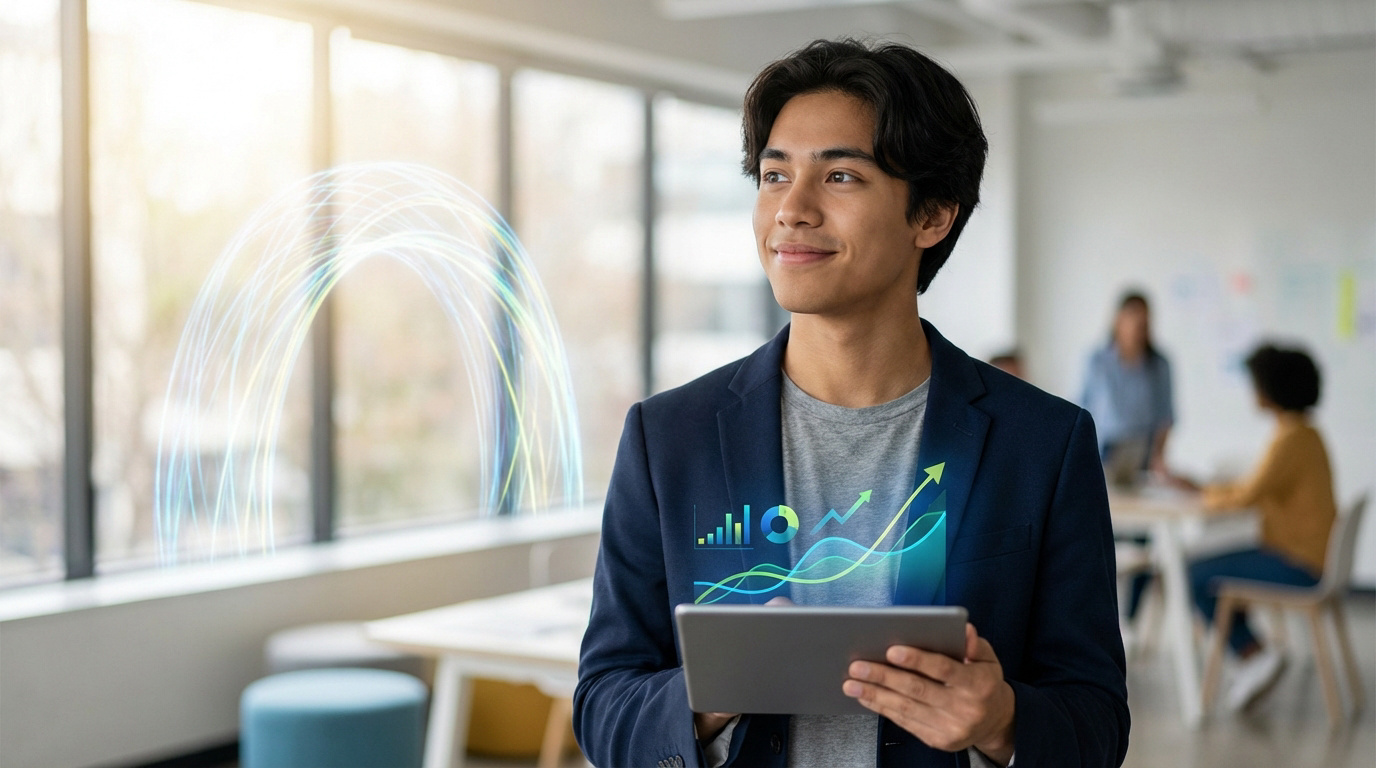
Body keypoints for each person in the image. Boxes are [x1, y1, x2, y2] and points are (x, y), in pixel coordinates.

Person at [574, 39, 1128, 768]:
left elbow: (1096, 717)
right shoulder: (667, 437)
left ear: (930, 215)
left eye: (838, 175)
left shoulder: (1045, 443)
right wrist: (707, 696)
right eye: (774, 176)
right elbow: (603, 700)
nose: (791, 211)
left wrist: (1002, 721)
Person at [1189, 344, 1336, 712]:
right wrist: (1203, 489)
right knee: (1211, 566)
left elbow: (1248, 495)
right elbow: (1254, 486)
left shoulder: (1290, 439)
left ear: (1271, 388)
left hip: (1298, 563)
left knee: (1193, 573)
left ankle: (1253, 655)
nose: (1251, 391)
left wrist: (1198, 492)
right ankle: (1254, 654)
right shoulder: (1305, 432)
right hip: (1306, 553)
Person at [1079, 291, 1175, 478]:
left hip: (1142, 453)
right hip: (1102, 452)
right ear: (1118, 321)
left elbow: (1165, 416)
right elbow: (1082, 408)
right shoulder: (1096, 362)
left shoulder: (1159, 365)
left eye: (1144, 324)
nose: (1138, 330)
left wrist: (1158, 458)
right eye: (1133, 322)